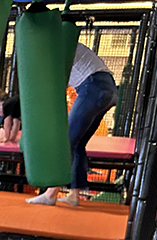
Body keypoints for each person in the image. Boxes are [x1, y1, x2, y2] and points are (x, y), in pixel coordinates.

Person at [26, 42, 119, 206]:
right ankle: (74, 195)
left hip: (93, 85)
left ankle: (50, 194)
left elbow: (55, 82)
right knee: (78, 143)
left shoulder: (57, 44)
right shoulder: (65, 45)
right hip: (108, 89)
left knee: (66, 141)